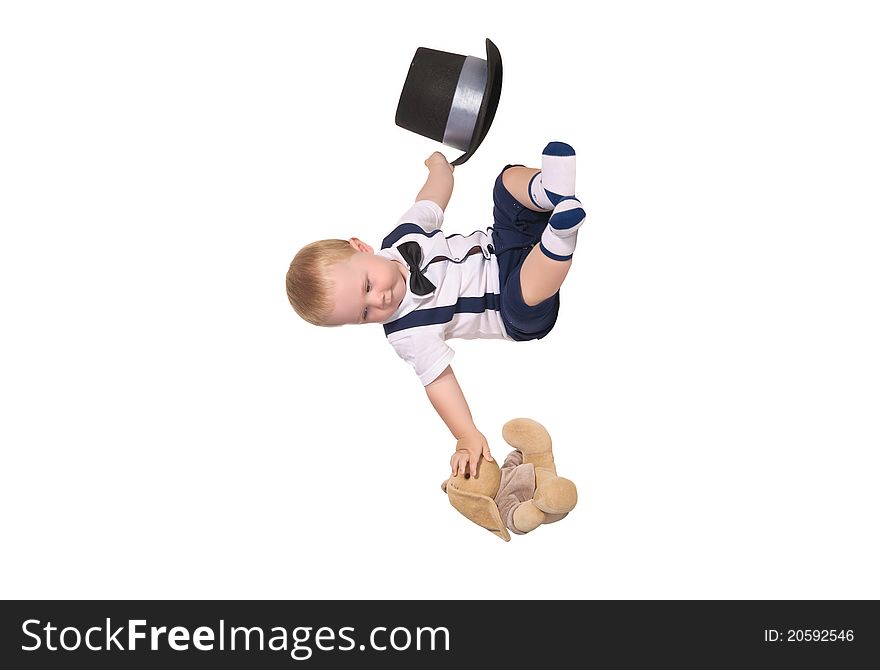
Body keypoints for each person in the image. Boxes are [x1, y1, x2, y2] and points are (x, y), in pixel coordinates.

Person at [286, 143, 586, 478]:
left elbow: (431, 201)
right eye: (363, 315)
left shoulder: (402, 236)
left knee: (505, 185)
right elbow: (438, 381)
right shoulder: (407, 332)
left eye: (368, 286)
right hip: (512, 306)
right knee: (523, 297)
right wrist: (465, 434)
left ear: (361, 247)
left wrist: (440, 168)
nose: (378, 301)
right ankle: (560, 238)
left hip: (505, 244)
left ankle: (548, 189)